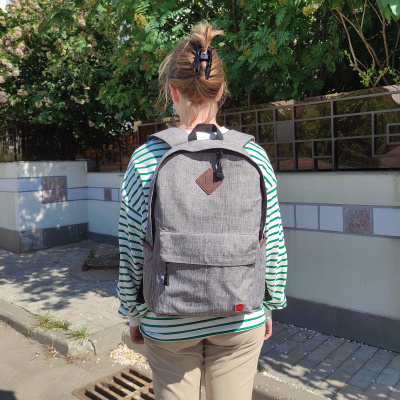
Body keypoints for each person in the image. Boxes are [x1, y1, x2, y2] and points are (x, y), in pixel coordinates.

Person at [117, 21, 287, 400]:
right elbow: (273, 243)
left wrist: (133, 312)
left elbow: (130, 248)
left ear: (172, 91)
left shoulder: (145, 159)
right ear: (221, 90)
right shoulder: (254, 156)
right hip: (239, 316)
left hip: (167, 319)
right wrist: (270, 304)